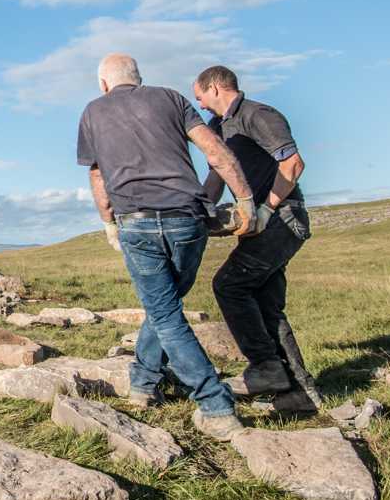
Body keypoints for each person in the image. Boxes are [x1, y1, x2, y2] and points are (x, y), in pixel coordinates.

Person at [78, 53, 261, 441]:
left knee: (164, 313)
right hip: (187, 219)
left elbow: (97, 175)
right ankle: (144, 383)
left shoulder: (93, 111)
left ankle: (215, 406)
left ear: (104, 84)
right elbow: (214, 151)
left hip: (136, 222)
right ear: (138, 78)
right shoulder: (172, 98)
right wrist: (246, 202)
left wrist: (108, 222)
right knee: (165, 308)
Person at [191, 65, 323, 412]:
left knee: (230, 285)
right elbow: (217, 177)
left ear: (215, 88)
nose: (201, 106)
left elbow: (293, 164)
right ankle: (300, 392)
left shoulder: (257, 114)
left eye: (200, 97)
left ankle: (265, 367)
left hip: (282, 217)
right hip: (262, 223)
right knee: (266, 306)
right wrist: (199, 211)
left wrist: (265, 209)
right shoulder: (219, 127)